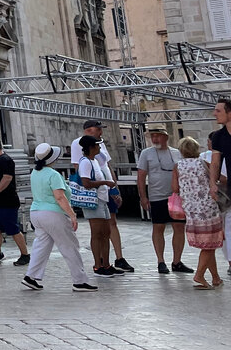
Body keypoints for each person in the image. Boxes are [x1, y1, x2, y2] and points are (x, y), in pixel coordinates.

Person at [22, 143, 97, 292]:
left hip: (36, 212)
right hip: (53, 213)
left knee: (41, 245)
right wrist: (72, 215)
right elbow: (60, 197)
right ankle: (79, 281)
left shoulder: (35, 173)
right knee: (69, 246)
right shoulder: (53, 174)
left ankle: (31, 276)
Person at [70, 119, 134, 272]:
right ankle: (98, 262)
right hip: (96, 193)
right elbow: (82, 173)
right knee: (97, 230)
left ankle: (115, 259)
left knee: (109, 224)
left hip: (106, 190)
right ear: (89, 130)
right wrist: (105, 183)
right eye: (98, 129)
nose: (101, 132)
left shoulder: (100, 144)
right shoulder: (80, 146)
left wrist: (114, 187)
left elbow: (107, 165)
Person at [136, 125, 192, 275]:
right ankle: (161, 261)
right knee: (158, 227)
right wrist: (143, 196)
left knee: (179, 227)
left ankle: (177, 261)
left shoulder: (176, 153)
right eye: (152, 136)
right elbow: (141, 176)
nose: (155, 139)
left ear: (165, 137)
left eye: (158, 135)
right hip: (156, 196)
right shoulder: (146, 153)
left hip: (176, 196)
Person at [172, 136, 225, 289]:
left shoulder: (177, 166)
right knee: (210, 245)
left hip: (191, 211)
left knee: (208, 244)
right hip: (208, 209)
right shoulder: (203, 163)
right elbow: (219, 178)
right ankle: (200, 275)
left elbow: (174, 188)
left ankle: (215, 277)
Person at [0, 135, 30, 267]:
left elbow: (7, 178)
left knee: (12, 229)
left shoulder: (6, 160)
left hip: (7, 202)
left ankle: (25, 255)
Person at [78, 134, 120, 277]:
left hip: (102, 199)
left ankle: (106, 263)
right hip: (93, 201)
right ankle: (98, 264)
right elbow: (86, 183)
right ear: (91, 147)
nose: (99, 147)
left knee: (106, 232)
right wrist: (104, 183)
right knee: (97, 233)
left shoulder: (94, 161)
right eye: (97, 145)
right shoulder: (85, 162)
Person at [208, 98, 231, 274]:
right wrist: (212, 184)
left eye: (218, 111)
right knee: (229, 226)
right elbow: (215, 164)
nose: (215, 114)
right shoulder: (218, 136)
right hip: (229, 188)